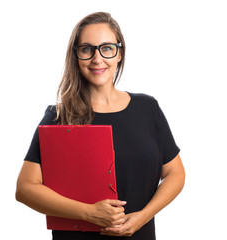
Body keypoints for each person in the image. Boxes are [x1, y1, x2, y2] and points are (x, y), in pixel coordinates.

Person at [16, 12, 185, 240]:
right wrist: (89, 213)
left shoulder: (148, 108)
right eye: (87, 49)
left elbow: (175, 172)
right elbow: (25, 189)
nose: (97, 59)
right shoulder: (59, 116)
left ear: (119, 53)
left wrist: (143, 217)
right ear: (76, 56)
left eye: (106, 48)